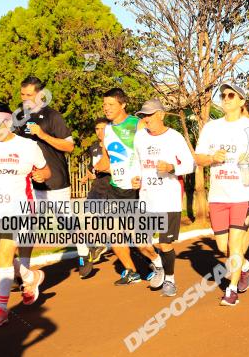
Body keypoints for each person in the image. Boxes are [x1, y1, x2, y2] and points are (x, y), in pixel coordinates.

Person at [0, 103, 51, 326]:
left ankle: (0, 308)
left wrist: (41, 176)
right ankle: (30, 277)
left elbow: (45, 170)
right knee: (0, 262)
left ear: (8, 122)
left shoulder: (28, 146)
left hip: (19, 209)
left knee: (4, 258)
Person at [195, 83, 249, 306]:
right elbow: (198, 158)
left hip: (243, 193)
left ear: (241, 102)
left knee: (236, 243)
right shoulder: (211, 128)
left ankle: (231, 290)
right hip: (218, 195)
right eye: (223, 95)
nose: (226, 98)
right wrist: (212, 158)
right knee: (223, 247)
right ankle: (247, 267)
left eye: (231, 95)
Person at [13, 76, 76, 288]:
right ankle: (23, 271)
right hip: (31, 184)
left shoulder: (52, 116)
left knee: (66, 223)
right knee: (27, 227)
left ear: (40, 95)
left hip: (56, 180)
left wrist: (43, 134)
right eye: (22, 95)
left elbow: (69, 147)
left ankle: (85, 250)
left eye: (29, 95)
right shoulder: (19, 117)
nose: (24, 99)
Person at [131, 99, 196, 297]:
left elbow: (191, 165)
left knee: (165, 244)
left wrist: (171, 168)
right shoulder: (140, 137)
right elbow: (136, 161)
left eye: (149, 115)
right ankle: (158, 264)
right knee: (140, 241)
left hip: (168, 199)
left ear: (161, 115)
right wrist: (135, 177)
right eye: (143, 116)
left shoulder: (174, 137)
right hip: (146, 198)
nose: (146, 119)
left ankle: (170, 279)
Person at [96, 88, 146, 285]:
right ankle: (131, 271)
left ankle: (156, 262)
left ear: (123, 104)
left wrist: (142, 176)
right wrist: (98, 167)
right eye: (104, 105)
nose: (106, 108)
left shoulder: (137, 124)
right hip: (115, 187)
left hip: (135, 188)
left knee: (139, 237)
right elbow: (107, 160)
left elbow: (149, 154)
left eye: (110, 104)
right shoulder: (107, 130)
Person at [76, 118, 111, 278]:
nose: (99, 132)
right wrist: (87, 176)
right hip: (96, 188)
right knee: (86, 219)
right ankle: (97, 245)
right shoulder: (94, 148)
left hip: (112, 188)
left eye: (103, 128)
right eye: (97, 128)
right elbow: (93, 169)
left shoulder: (115, 145)